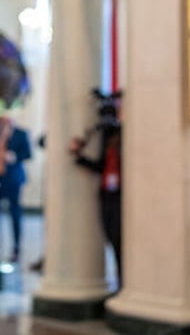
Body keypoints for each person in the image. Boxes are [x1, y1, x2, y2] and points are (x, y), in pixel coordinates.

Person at [68, 88, 122, 288]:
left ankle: (122, 283)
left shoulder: (124, 136)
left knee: (119, 240)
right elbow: (100, 165)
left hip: (121, 197)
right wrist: (79, 157)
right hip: (106, 194)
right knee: (109, 236)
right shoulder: (106, 137)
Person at [0, 115, 32, 263]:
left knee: (14, 213)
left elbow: (27, 154)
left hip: (13, 179)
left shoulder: (21, 133)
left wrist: (14, 156)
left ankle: (16, 249)